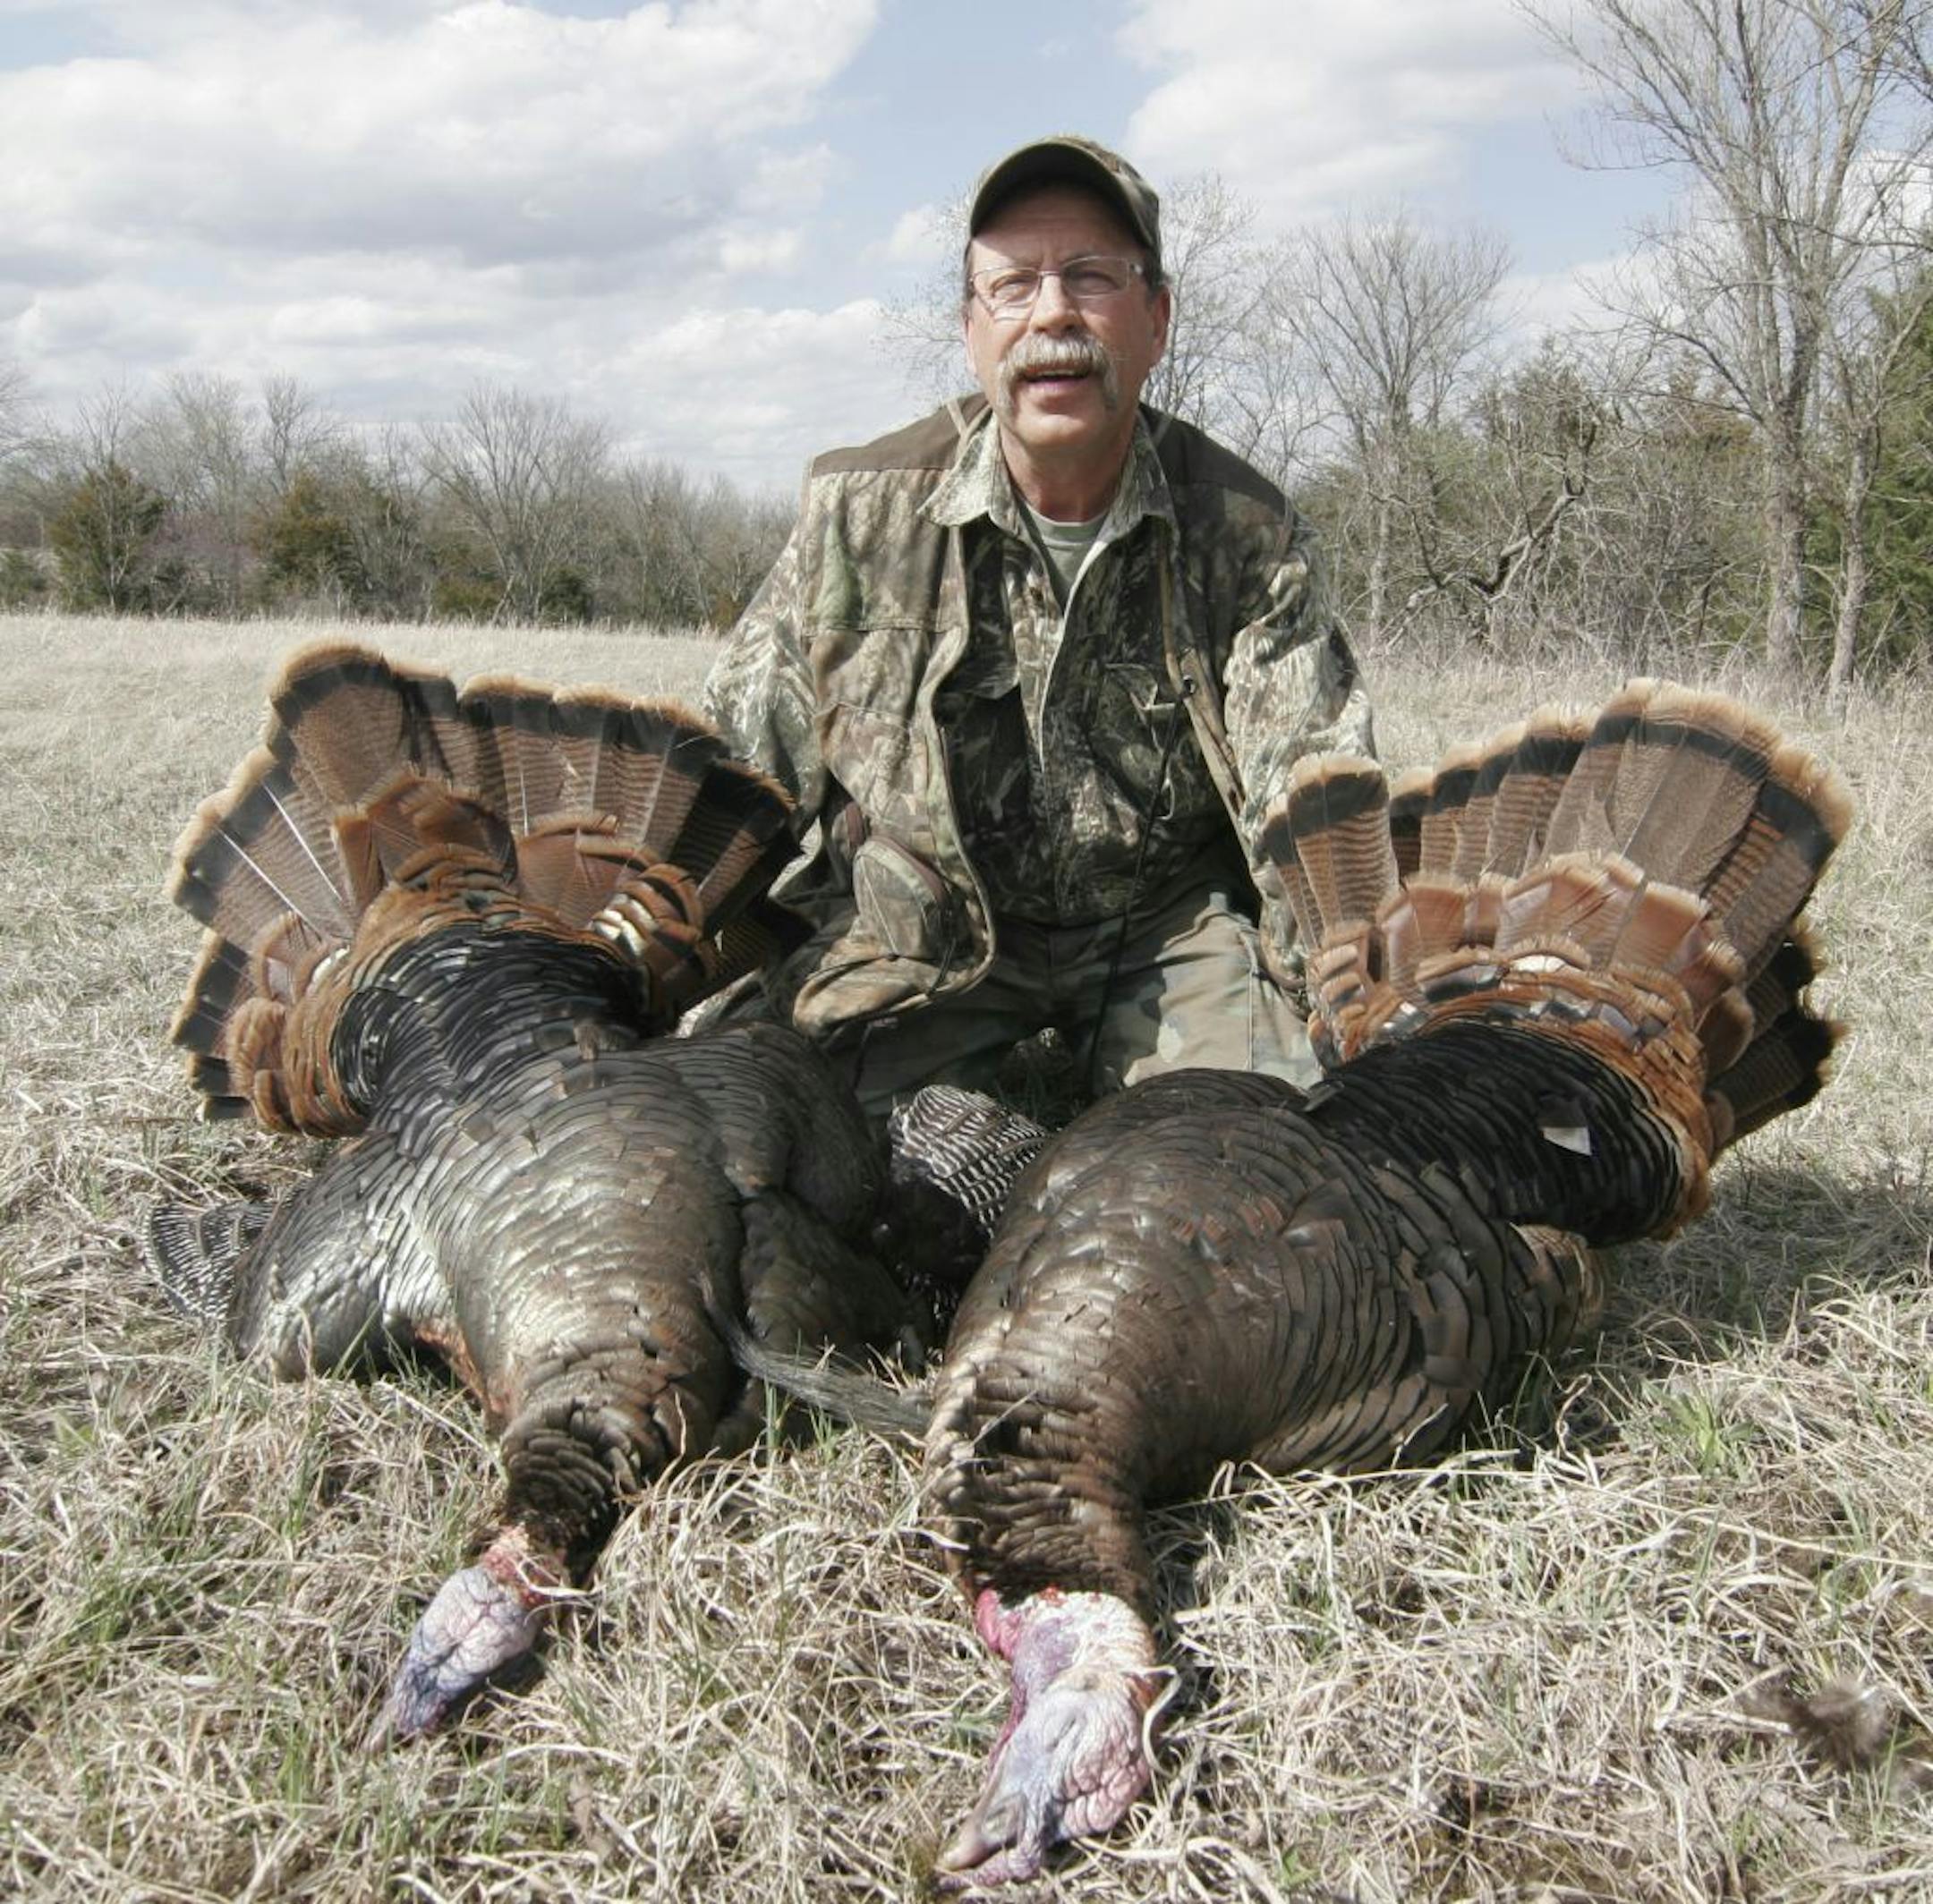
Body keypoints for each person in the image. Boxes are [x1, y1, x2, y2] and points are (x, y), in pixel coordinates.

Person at [703, 133, 1373, 1126]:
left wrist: (1353, 1013)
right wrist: (650, 956)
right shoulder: (857, 515)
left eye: (1092, 277)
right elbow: (736, 788)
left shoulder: (1246, 532)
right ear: (972, 330)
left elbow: (1304, 805)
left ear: (1157, 319)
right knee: (762, 1137)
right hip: (922, 929)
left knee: (1259, 1161)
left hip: (1163, 930)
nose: (1052, 311)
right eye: (1013, 285)